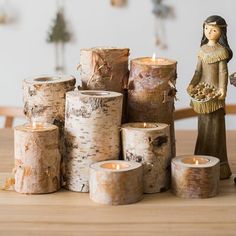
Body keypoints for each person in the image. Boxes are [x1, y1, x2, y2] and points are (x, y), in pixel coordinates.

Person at [187, 15, 233, 179]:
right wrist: (192, 84)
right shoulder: (202, 50)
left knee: (215, 128)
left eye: (213, 30)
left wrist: (222, 89)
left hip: (215, 95)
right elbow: (198, 72)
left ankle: (219, 166)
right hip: (203, 92)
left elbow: (223, 72)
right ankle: (202, 160)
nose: (209, 32)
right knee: (203, 127)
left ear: (221, 32)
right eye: (206, 28)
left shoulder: (221, 52)